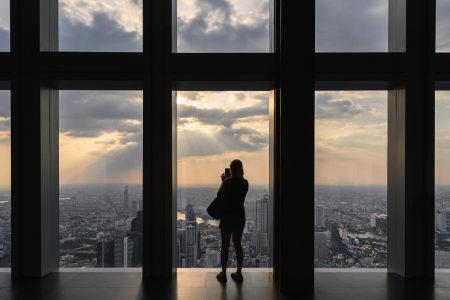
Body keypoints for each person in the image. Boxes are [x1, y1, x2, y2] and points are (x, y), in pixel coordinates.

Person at [216, 159, 248, 283]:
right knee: (237, 245)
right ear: (241, 169)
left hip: (227, 217)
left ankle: (223, 273)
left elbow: (219, 195)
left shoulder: (227, 182)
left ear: (231, 169)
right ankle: (239, 273)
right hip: (239, 217)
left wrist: (223, 181)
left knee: (225, 246)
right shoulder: (245, 183)